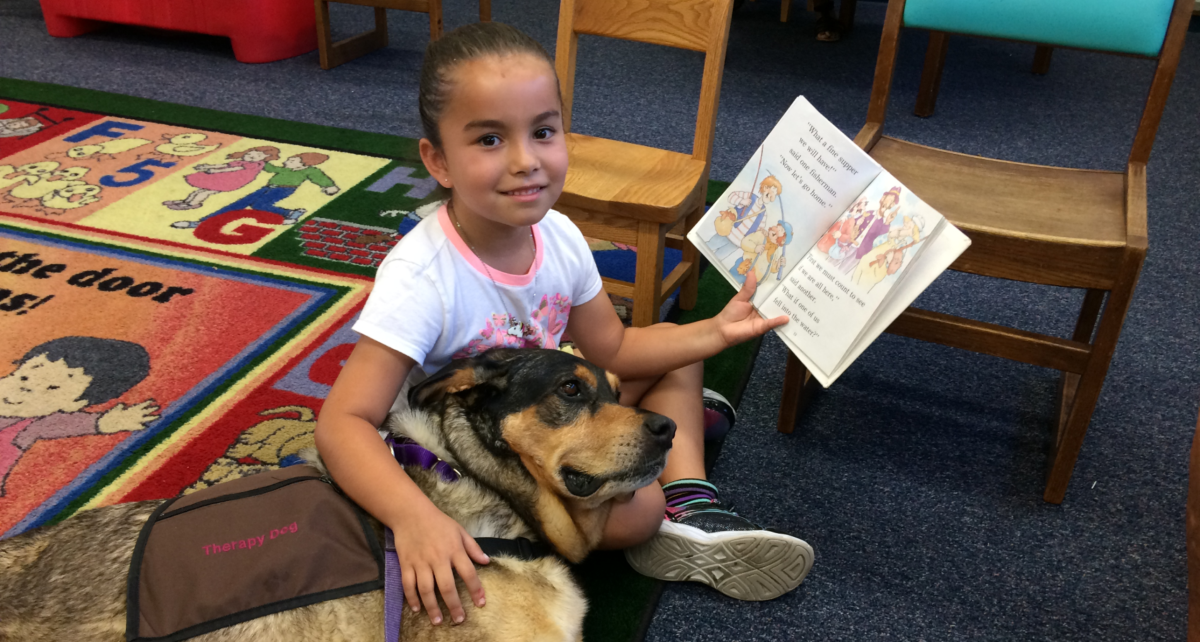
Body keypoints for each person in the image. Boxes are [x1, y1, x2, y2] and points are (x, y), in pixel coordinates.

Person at [314, 22, 813, 629]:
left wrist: (719, 330)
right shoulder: (422, 277)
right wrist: (414, 519)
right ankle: (664, 497)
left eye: (543, 132)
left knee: (675, 356)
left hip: (551, 410)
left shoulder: (561, 237)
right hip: (468, 458)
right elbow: (343, 422)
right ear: (438, 161)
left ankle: (693, 503)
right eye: (490, 139)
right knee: (637, 512)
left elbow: (618, 346)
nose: (526, 161)